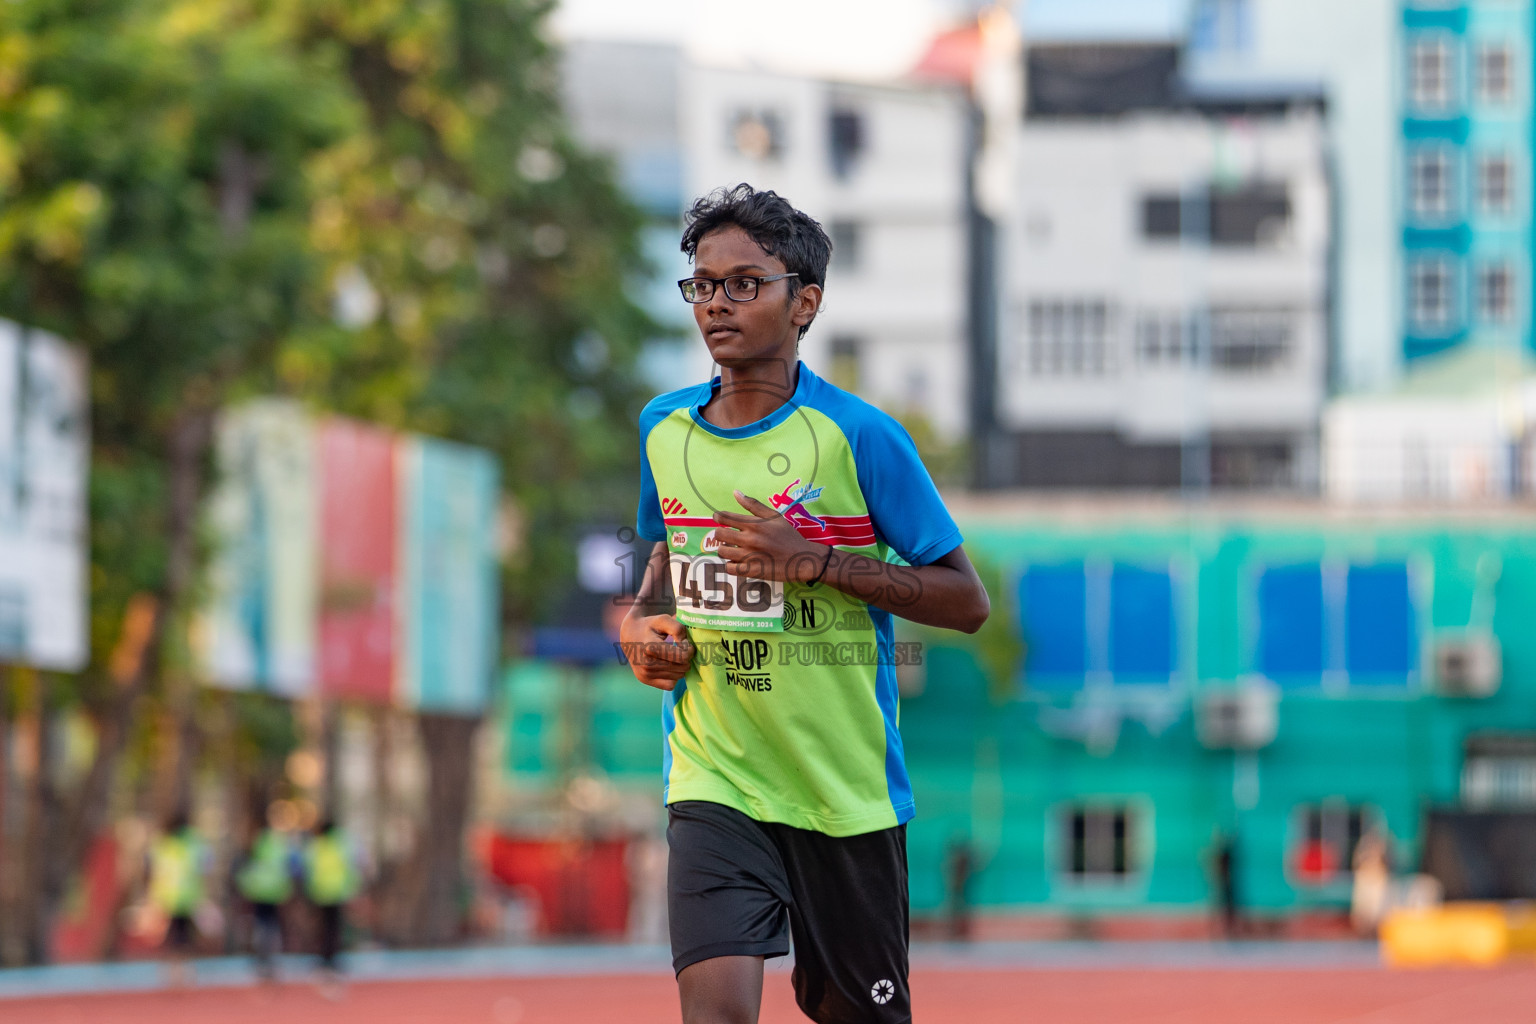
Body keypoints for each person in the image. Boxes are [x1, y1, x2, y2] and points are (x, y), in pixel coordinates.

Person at [621, 184, 991, 1024]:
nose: (716, 302)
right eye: (702, 284)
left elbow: (966, 600)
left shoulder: (859, 436)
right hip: (717, 775)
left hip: (843, 793)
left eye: (744, 283)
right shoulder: (662, 429)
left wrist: (818, 563)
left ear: (805, 302)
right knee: (714, 1013)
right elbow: (663, 561)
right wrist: (641, 625)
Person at [148, 811, 209, 988]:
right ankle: (183, 970)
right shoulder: (194, 843)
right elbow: (203, 868)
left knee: (173, 935)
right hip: (187, 896)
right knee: (183, 935)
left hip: (168, 897)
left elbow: (153, 870)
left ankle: (173, 971)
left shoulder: (163, 844)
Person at [235, 807, 296, 982]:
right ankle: (272, 962)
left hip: (258, 890)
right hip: (276, 890)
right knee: (272, 926)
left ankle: (263, 961)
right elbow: (287, 867)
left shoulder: (254, 843)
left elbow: (244, 869)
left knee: (262, 926)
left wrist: (245, 887)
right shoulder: (279, 844)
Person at [302, 816, 361, 994]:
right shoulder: (341, 844)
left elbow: (308, 868)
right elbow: (351, 866)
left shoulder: (316, 845)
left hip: (320, 893)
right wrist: (352, 888)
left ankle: (325, 960)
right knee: (333, 928)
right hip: (336, 892)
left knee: (324, 929)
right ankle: (331, 960)